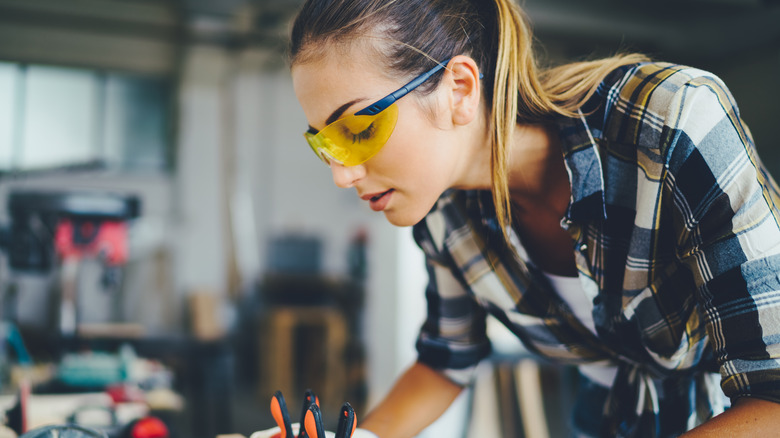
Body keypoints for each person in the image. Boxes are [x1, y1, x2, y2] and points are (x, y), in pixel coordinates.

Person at [288, 0, 780, 437]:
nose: (341, 175)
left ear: (459, 88)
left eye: (358, 128)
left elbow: (773, 394)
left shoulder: (673, 121)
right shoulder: (441, 217)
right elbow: (447, 357)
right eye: (324, 142)